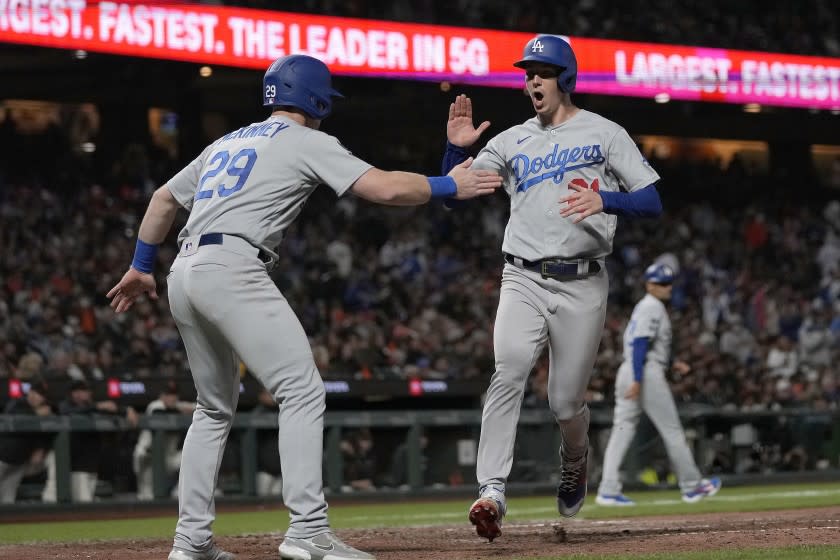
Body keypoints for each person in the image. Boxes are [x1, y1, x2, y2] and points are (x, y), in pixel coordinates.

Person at [106, 54, 501, 560]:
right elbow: (382, 188)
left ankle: (191, 542)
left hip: (183, 269)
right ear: (314, 99)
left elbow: (163, 198)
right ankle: (308, 532)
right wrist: (452, 184)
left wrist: (141, 265)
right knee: (302, 391)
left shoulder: (227, 141)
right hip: (232, 266)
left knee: (211, 408)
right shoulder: (306, 140)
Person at [442, 34, 663, 541]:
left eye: (541, 72)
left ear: (565, 78)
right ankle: (491, 491)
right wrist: (454, 149)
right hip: (521, 275)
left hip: (583, 282)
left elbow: (651, 201)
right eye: (527, 73)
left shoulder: (605, 133)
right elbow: (453, 196)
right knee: (508, 372)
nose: (531, 81)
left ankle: (575, 456)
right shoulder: (511, 139)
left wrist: (606, 200)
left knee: (565, 403)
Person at [595, 263, 721, 506]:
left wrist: (673, 363)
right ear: (649, 285)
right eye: (662, 284)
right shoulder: (652, 307)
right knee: (672, 429)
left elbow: (644, 344)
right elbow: (641, 343)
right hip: (643, 372)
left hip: (630, 368)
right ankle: (692, 486)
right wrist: (638, 379)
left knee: (622, 430)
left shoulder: (644, 307)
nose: (667, 288)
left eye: (668, 283)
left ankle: (608, 489)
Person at [133, 381, 195, 500]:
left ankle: (179, 491)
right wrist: (182, 411)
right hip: (148, 457)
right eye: (168, 394)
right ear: (161, 396)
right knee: (147, 495)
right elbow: (160, 413)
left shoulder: (178, 405)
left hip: (168, 457)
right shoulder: (156, 405)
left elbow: (200, 407)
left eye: (174, 394)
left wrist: (187, 408)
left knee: (193, 456)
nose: (171, 397)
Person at [0, 381, 53, 503]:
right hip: (3, 457)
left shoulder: (45, 412)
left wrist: (41, 449)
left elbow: (46, 435)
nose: (34, 396)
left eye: (39, 395)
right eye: (32, 393)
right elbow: (14, 417)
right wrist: (35, 414)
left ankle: (9, 520)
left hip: (19, 461)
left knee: (8, 496)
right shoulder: (17, 404)